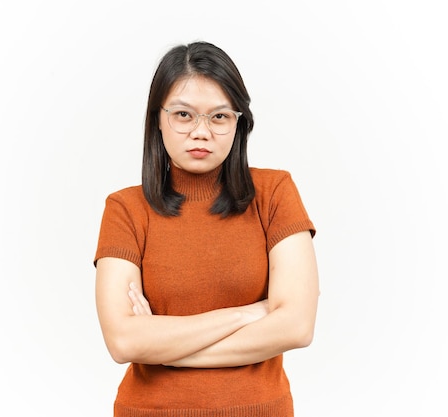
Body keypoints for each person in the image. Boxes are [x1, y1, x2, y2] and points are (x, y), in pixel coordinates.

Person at [93, 41, 320, 417]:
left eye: (219, 117)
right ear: (158, 120)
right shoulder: (125, 210)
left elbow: (296, 326)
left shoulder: (275, 193)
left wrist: (168, 347)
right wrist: (248, 313)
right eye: (184, 115)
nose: (201, 132)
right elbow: (123, 340)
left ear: (238, 123)